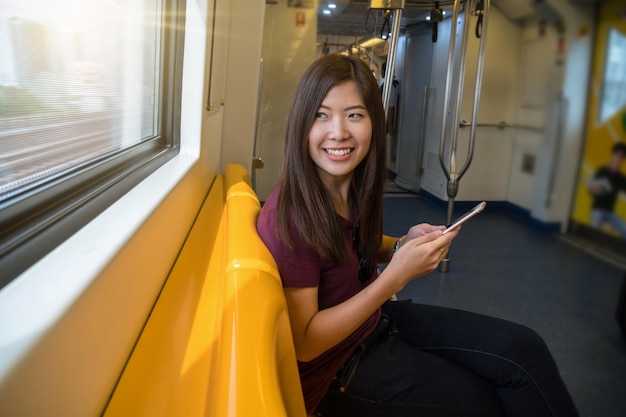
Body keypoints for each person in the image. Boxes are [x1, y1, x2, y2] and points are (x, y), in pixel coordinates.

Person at [257, 54, 579, 417]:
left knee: (523, 348)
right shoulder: (292, 217)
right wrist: (397, 274)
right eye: (321, 114)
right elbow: (305, 343)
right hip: (337, 369)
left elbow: (350, 247)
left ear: (374, 124)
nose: (339, 132)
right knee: (484, 402)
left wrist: (400, 244)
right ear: (301, 123)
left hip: (375, 322)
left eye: (354, 115)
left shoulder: (346, 185)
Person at [587, 142, 626, 238]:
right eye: (617, 155)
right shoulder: (602, 171)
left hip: (609, 212)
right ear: (613, 155)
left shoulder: (620, 178)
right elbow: (591, 192)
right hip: (597, 209)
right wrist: (593, 190)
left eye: (622, 157)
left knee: (625, 230)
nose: (619, 159)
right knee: (593, 236)